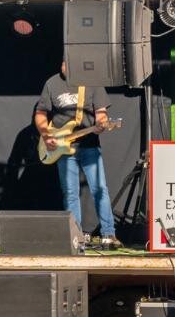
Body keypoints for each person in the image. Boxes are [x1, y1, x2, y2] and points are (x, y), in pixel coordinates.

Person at [33, 60, 119, 249]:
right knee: (70, 193)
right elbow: (40, 112)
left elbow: (101, 112)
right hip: (62, 147)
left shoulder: (92, 83)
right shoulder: (52, 83)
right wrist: (46, 135)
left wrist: (101, 124)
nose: (65, 66)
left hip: (89, 145)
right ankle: (76, 236)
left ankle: (108, 234)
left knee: (99, 189)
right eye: (63, 62)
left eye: (69, 62)